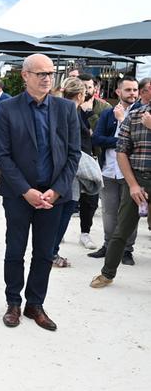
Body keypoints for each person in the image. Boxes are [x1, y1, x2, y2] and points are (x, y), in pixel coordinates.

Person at [0, 54, 80, 331]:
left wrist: (56, 190)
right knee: (15, 250)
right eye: (40, 73)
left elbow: (73, 155)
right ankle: (13, 303)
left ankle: (35, 304)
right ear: (25, 75)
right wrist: (25, 191)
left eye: (50, 73)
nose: (46, 78)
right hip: (19, 195)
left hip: (53, 196)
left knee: (44, 252)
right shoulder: (8, 109)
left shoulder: (66, 109)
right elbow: (3, 156)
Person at [90, 75, 151, 289]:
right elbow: (121, 151)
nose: (135, 94)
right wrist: (133, 184)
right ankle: (107, 273)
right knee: (121, 227)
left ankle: (123, 257)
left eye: (137, 89)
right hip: (136, 178)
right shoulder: (134, 116)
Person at [50, 77, 91, 268]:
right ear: (81, 95)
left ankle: (51, 250)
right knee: (64, 212)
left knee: (61, 211)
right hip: (70, 171)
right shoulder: (72, 112)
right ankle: (52, 252)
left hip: (62, 169)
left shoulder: (59, 109)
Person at [75, 73, 111, 250]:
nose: (86, 90)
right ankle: (58, 233)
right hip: (72, 159)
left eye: (89, 87)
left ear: (94, 88)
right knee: (68, 199)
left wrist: (90, 114)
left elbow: (103, 136)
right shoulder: (69, 105)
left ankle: (85, 233)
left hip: (93, 159)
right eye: (82, 86)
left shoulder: (104, 108)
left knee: (90, 199)